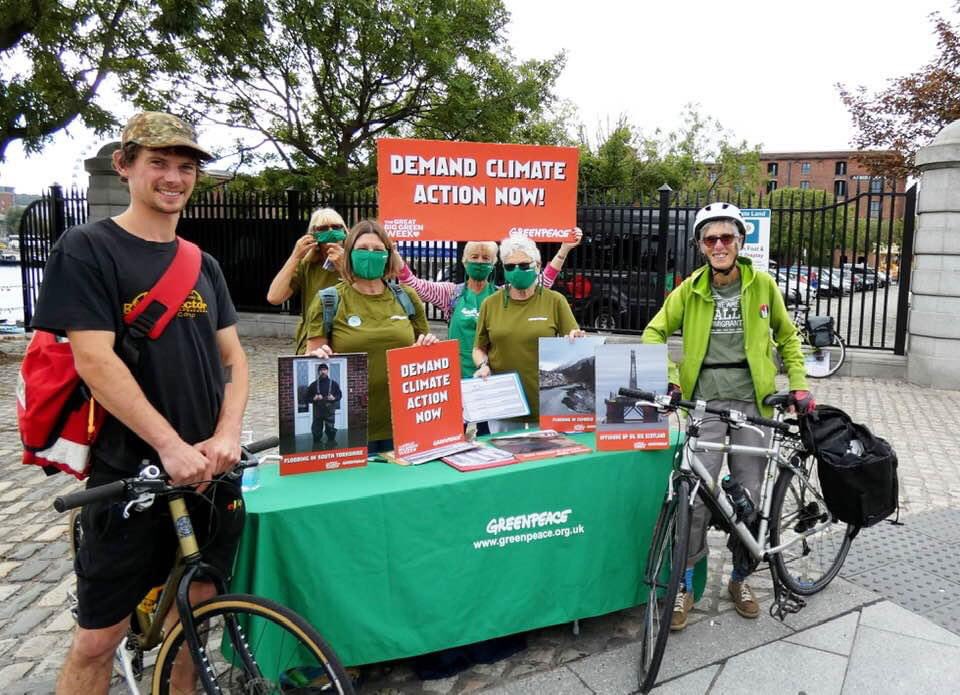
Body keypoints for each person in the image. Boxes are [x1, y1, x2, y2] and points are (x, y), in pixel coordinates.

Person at [30, 112, 249, 694]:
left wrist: (227, 434)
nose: (174, 177)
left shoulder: (203, 264)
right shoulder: (87, 249)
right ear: (124, 166)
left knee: (196, 615)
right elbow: (95, 360)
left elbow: (234, 359)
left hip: (210, 471)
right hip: (131, 472)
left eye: (185, 167)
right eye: (159, 163)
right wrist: (169, 446)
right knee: (99, 637)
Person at [641, 202, 814, 630]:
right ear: (700, 246)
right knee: (696, 498)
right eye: (710, 239)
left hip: (753, 403)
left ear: (739, 242)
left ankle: (740, 578)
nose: (718, 245)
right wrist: (669, 378)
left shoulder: (763, 285)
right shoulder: (690, 289)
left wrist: (799, 383)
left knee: (747, 497)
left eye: (726, 238)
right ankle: (684, 584)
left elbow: (788, 336)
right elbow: (654, 331)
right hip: (705, 404)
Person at [398, 231, 582, 435]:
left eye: (486, 258)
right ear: (464, 261)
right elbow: (413, 284)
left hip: (493, 386)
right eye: (474, 257)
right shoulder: (452, 294)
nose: (479, 262)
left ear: (494, 264)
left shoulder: (504, 293)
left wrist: (564, 250)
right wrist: (393, 252)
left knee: (488, 435)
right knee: (453, 437)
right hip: (460, 379)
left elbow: (542, 282)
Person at [306, 220, 438, 453]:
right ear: (349, 254)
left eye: (378, 250)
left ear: (388, 256)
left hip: (403, 422)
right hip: (350, 424)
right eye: (362, 249)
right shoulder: (329, 300)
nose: (370, 254)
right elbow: (311, 357)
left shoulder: (406, 297)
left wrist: (429, 346)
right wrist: (317, 356)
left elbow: (425, 350)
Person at [473, 235, 585, 432]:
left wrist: (576, 338)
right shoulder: (490, 304)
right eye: (510, 267)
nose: (517, 271)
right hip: (504, 407)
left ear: (538, 266)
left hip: (545, 410)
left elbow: (574, 340)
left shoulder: (555, 301)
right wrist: (483, 365)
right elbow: (479, 348)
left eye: (524, 265)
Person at [267, 207, 346, 354]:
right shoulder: (308, 264)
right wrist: (295, 256)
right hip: (313, 342)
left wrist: (344, 267)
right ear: (313, 234)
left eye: (336, 227)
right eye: (323, 229)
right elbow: (274, 297)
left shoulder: (354, 259)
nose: (330, 232)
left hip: (347, 338)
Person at [305, 362, 342, 442]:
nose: (323, 371)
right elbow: (307, 398)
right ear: (318, 372)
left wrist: (334, 398)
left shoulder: (334, 384)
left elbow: (339, 395)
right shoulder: (313, 385)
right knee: (316, 431)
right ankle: (316, 445)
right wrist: (314, 398)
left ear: (327, 371)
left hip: (329, 411)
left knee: (330, 430)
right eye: (321, 370)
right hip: (318, 412)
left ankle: (331, 444)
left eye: (324, 370)